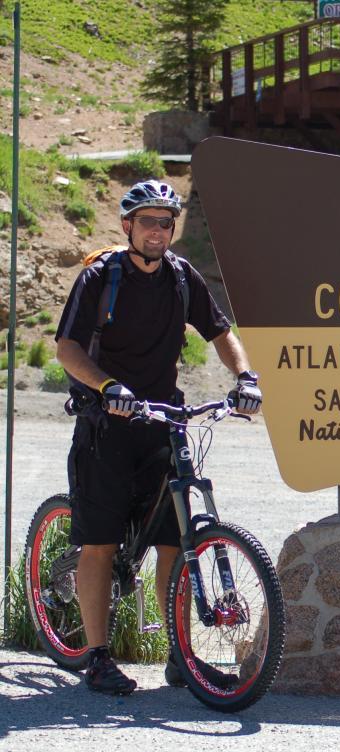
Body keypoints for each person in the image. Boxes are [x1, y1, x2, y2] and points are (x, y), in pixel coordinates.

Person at [55, 179, 263, 695]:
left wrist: (245, 379)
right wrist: (107, 386)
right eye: (148, 220)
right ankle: (98, 658)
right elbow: (67, 349)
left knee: (175, 542)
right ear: (127, 225)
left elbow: (220, 332)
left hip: (163, 421)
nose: (157, 230)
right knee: (100, 544)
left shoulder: (180, 276)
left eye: (166, 222)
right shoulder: (102, 276)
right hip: (107, 423)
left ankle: (179, 655)